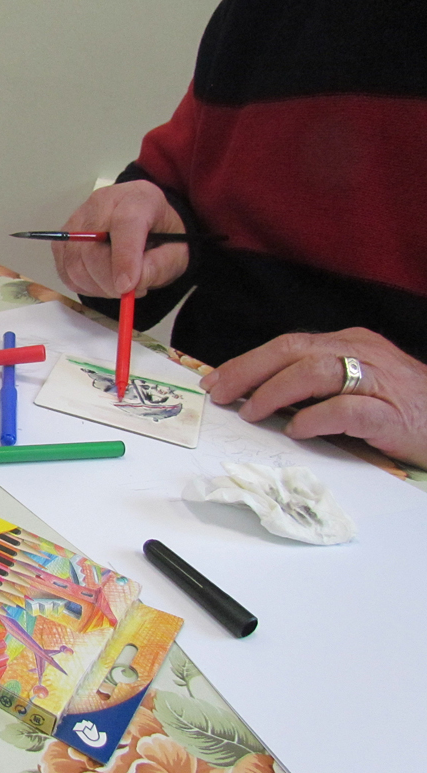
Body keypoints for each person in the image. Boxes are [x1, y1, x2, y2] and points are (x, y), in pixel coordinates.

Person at [51, 0, 427, 469]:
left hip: (389, 473)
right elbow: (186, 195)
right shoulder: (258, 14)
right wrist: (145, 233)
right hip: (210, 427)